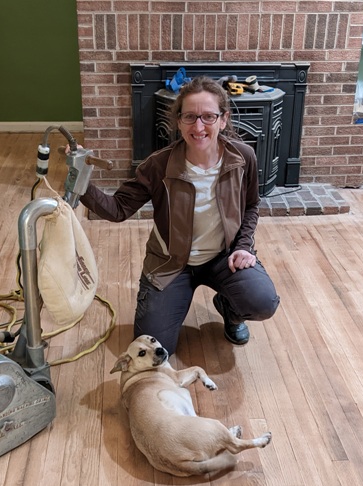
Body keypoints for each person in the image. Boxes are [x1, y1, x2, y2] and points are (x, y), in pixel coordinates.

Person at [79, 75, 280, 355]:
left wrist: (244, 247)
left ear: (223, 119)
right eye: (190, 117)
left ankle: (229, 309)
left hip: (224, 256)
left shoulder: (243, 157)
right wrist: (81, 182)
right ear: (178, 121)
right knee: (155, 347)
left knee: (262, 301)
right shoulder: (159, 165)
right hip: (171, 263)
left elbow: (250, 206)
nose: (199, 126)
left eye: (208, 116)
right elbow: (117, 209)